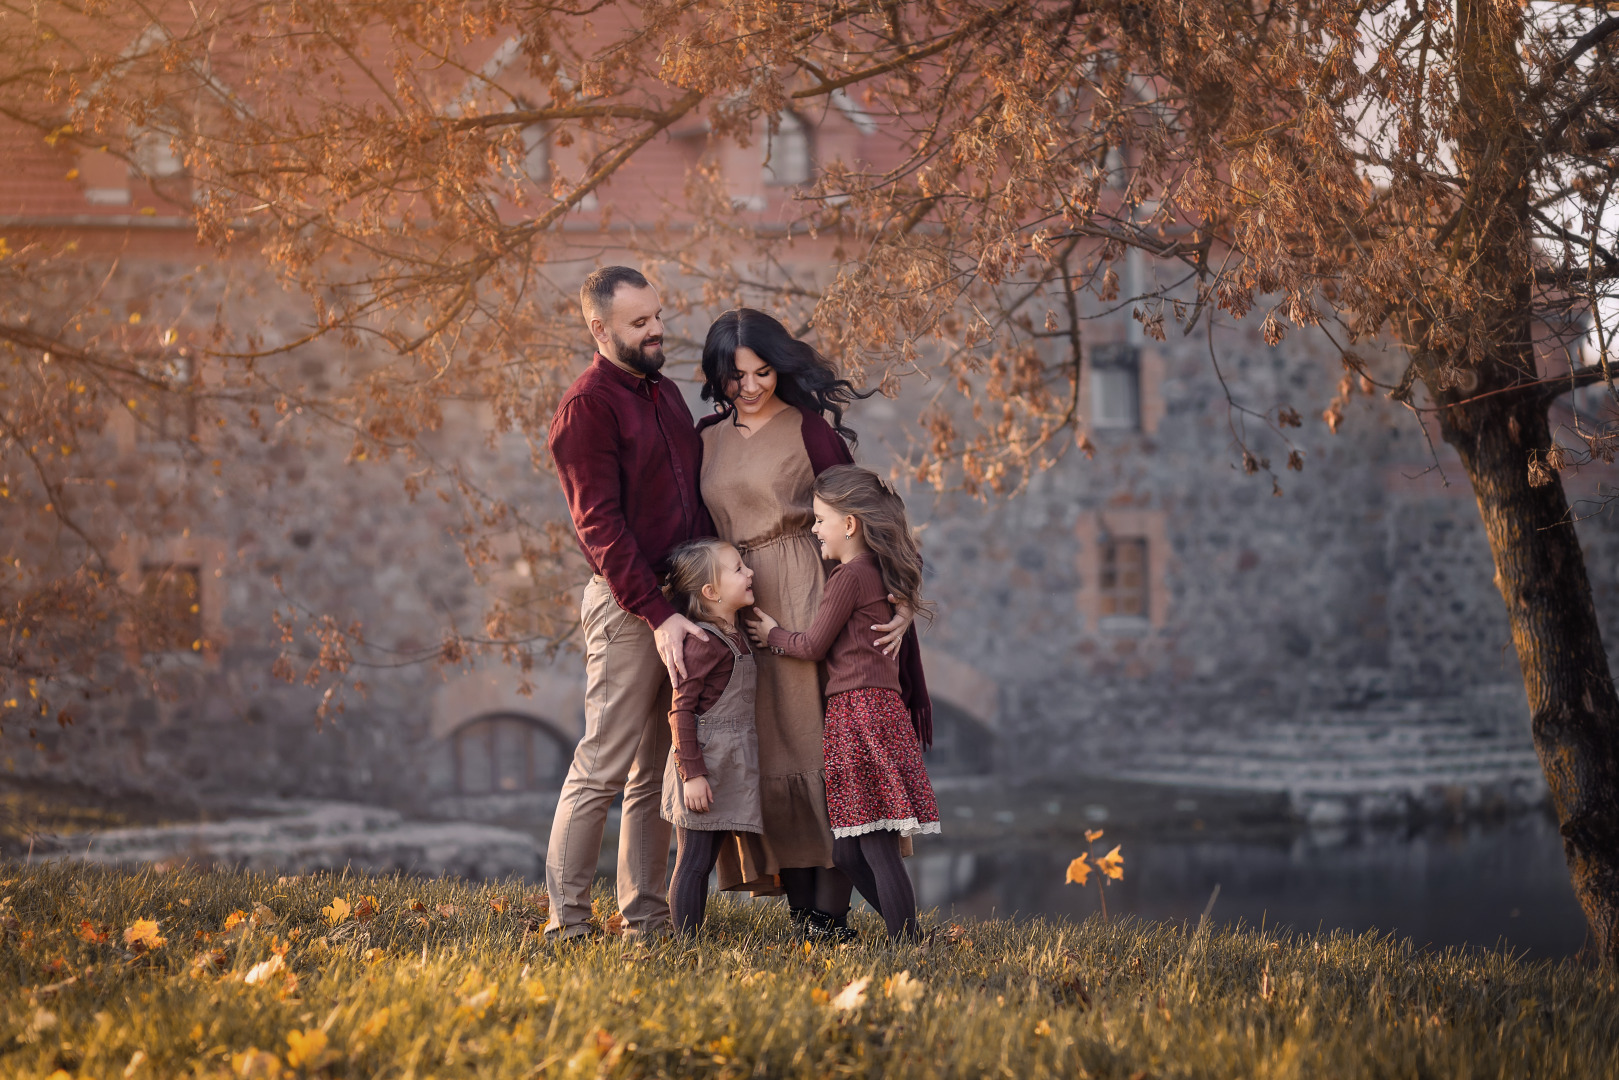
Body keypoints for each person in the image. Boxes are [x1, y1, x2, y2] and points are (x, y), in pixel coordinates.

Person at [695, 308, 927, 940]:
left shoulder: (808, 430)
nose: (749, 386)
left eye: (762, 371)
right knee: (768, 753)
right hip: (741, 607)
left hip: (808, 596)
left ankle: (831, 915)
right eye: (735, 375)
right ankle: (803, 912)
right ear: (716, 375)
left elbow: (868, 508)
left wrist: (899, 596)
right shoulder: (705, 436)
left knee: (817, 751)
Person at [543, 266, 712, 941]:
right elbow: (600, 529)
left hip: (678, 601)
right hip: (626, 605)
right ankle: (567, 927)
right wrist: (659, 614)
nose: (656, 330)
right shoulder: (586, 407)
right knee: (601, 767)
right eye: (639, 322)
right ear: (598, 329)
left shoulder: (665, 394)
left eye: (657, 316)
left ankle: (645, 923)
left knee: (652, 773)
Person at [747, 465, 940, 942]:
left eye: (819, 519)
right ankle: (909, 931)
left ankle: (908, 943)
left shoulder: (850, 577)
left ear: (849, 524)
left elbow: (812, 645)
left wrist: (772, 634)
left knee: (874, 846)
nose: (813, 529)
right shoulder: (877, 571)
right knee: (849, 852)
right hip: (875, 712)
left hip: (861, 715)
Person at [658, 539, 765, 935]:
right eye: (738, 568)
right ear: (711, 592)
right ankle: (687, 944)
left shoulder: (734, 636)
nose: (750, 572)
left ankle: (693, 934)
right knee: (695, 860)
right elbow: (681, 712)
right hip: (703, 766)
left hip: (727, 764)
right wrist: (693, 774)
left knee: (705, 856)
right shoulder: (704, 642)